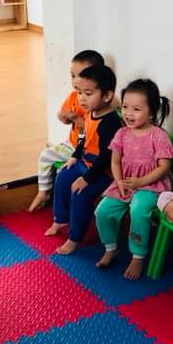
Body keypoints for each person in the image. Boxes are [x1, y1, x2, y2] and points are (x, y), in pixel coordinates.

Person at [94, 79, 173, 280]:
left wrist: (141, 182)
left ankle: (138, 255)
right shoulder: (121, 133)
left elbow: (164, 167)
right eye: (125, 107)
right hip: (124, 183)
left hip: (151, 185)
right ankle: (110, 248)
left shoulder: (158, 136)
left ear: (151, 112)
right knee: (102, 211)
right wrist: (119, 181)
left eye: (136, 109)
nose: (129, 113)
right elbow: (115, 161)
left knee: (138, 210)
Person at [46, 64, 120, 255]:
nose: (81, 98)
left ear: (107, 96)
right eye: (79, 92)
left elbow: (106, 157)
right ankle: (61, 219)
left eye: (88, 93)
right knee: (63, 176)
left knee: (80, 193)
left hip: (103, 172)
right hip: (85, 163)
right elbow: (85, 138)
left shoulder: (110, 122)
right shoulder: (90, 113)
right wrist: (74, 156)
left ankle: (74, 238)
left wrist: (86, 179)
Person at [28, 49, 105, 211]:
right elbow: (63, 115)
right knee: (45, 155)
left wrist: (76, 118)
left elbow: (91, 128)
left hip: (87, 149)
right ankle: (44, 191)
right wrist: (63, 117)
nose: (75, 81)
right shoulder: (73, 96)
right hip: (72, 144)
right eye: (72, 76)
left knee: (64, 171)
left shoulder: (97, 102)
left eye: (80, 75)